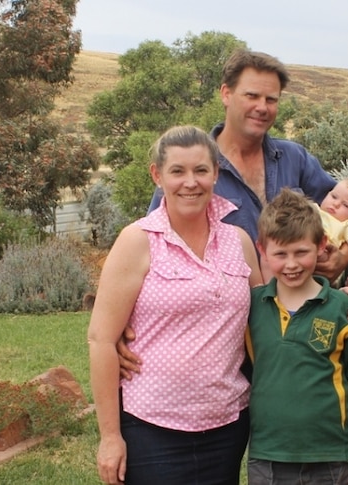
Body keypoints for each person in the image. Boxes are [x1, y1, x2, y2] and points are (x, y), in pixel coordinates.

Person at [87, 125, 263, 485]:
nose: (191, 182)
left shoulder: (239, 241)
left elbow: (270, 316)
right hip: (151, 426)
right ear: (157, 175)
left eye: (201, 170)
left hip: (227, 424)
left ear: (216, 173)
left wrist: (342, 301)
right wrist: (110, 437)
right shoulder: (137, 241)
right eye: (177, 171)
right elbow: (101, 340)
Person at [148, 49, 348, 280]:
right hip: (229, 312)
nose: (262, 107)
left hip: (302, 309)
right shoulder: (191, 173)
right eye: (252, 96)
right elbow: (154, 242)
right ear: (226, 93)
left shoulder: (295, 158)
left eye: (271, 99)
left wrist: (343, 257)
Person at [246, 188, 348, 484]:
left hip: (332, 458)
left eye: (301, 252)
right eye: (280, 254)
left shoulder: (343, 308)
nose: (291, 264)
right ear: (262, 250)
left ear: (321, 245)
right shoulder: (251, 306)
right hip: (269, 457)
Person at [263, 176, 348, 288]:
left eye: (346, 205)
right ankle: (269, 286)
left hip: (320, 263)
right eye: (334, 196)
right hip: (294, 249)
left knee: (323, 253)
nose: (336, 204)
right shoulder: (312, 209)